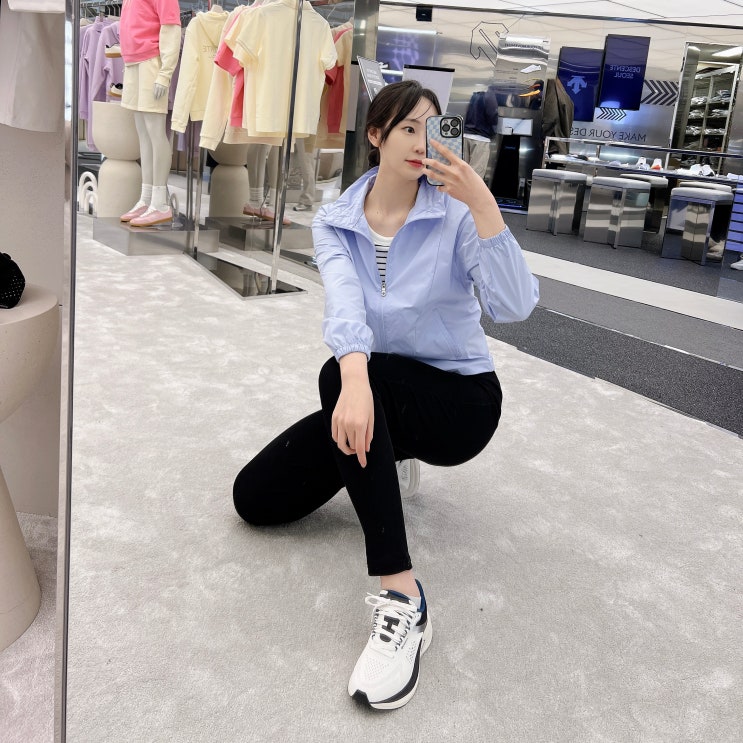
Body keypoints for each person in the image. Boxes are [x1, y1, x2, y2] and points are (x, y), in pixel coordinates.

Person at [233, 80, 539, 710]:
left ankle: (403, 596)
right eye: (407, 128)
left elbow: (514, 307)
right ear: (375, 135)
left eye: (433, 127)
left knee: (342, 379)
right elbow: (345, 306)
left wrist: (484, 206)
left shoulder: (455, 213)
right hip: (380, 388)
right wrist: (353, 379)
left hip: (460, 401)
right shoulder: (336, 221)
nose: (423, 141)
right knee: (255, 497)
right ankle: (387, 445)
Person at [118, 0, 181, 227]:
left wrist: (164, 74)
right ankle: (146, 198)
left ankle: (160, 202)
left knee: (155, 132)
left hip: (151, 61)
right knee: (143, 134)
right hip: (133, 61)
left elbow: (171, 29)